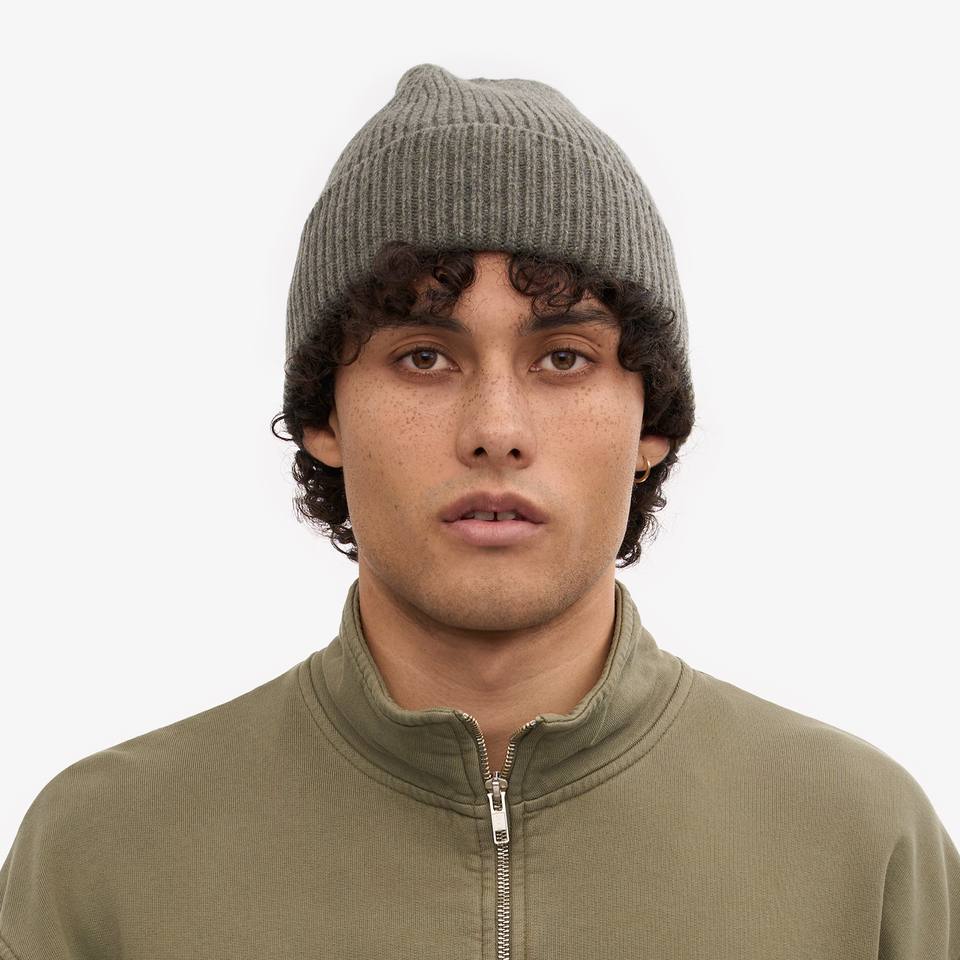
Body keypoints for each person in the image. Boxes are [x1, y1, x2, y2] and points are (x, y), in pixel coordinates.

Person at [1, 62, 957, 960]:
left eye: (564, 358)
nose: (496, 430)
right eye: (423, 357)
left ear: (652, 422)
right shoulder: (102, 857)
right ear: (325, 418)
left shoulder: (864, 845)